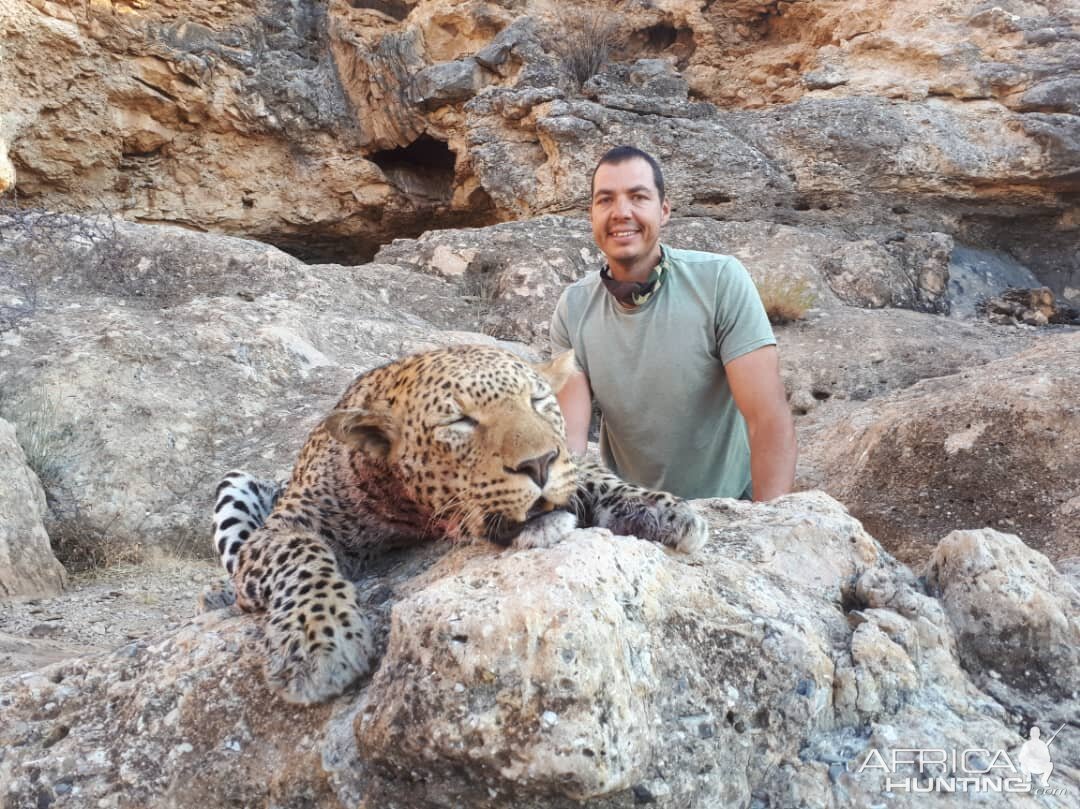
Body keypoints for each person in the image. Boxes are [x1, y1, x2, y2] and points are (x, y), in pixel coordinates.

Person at [550, 145, 796, 501]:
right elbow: (570, 440)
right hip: (637, 516)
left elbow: (768, 420)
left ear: (663, 211)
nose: (621, 212)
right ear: (591, 215)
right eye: (605, 200)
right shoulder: (573, 309)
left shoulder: (719, 282)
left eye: (638, 197)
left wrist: (765, 527)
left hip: (730, 507)